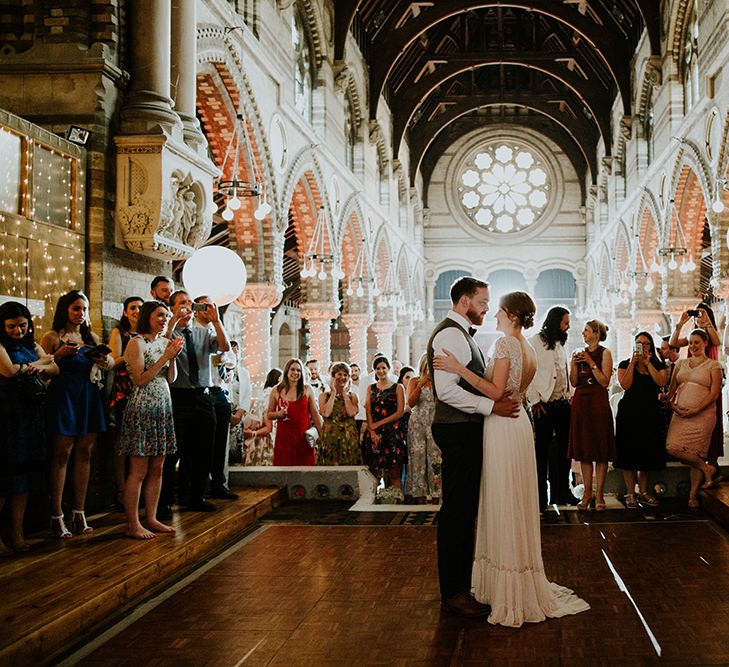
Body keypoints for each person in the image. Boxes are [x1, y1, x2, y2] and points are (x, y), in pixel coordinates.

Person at [434, 291, 589, 627]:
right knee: (514, 499)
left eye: (499, 310)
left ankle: (505, 587)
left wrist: (459, 367)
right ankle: (517, 578)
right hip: (518, 423)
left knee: (503, 499)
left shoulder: (506, 345)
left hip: (502, 423)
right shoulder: (529, 348)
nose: (494, 314)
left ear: (512, 314)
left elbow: (495, 390)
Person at [426, 276, 519, 619]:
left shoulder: (461, 334)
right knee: (457, 513)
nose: (486, 308)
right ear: (464, 301)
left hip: (463, 429)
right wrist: (490, 407)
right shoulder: (451, 334)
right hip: (457, 429)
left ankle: (459, 586)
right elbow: (447, 391)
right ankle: (453, 592)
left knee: (464, 512)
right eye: (482, 301)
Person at [42, 290, 113, 537]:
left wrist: (102, 358)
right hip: (64, 397)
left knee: (85, 453)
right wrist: (58, 356)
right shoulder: (52, 337)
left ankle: (80, 512)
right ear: (65, 309)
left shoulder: (90, 336)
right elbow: (43, 367)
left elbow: (108, 363)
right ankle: (56, 515)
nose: (81, 313)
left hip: (88, 396)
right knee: (62, 454)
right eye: (75, 308)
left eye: (84, 309)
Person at [160, 290, 230, 518]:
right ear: (171, 308)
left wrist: (216, 320)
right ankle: (166, 501)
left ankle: (197, 497)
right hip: (177, 396)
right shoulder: (169, 333)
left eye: (190, 304)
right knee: (174, 452)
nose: (187, 308)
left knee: (203, 449)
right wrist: (173, 322)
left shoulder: (203, 331)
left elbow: (224, 347)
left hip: (202, 395)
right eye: (181, 304)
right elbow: (160, 348)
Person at [119, 301, 183, 539]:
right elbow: (141, 379)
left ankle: (152, 517)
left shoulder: (164, 342)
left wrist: (173, 357)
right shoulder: (136, 343)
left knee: (158, 469)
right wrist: (165, 355)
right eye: (160, 315)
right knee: (139, 470)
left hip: (162, 407)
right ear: (148, 317)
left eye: (166, 316)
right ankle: (133, 523)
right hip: (143, 408)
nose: (165, 320)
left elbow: (172, 378)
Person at [0, 302, 58, 553]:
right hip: (6, 413)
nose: (18, 330)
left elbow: (55, 367)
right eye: (12, 326)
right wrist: (37, 365)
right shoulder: (1, 346)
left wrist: (42, 363)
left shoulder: (31, 345)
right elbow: (9, 370)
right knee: (4, 475)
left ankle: (18, 534)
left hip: (30, 412)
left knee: (24, 475)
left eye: (22, 325)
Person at [526, 306, 578, 510]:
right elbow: (529, 373)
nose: (568, 326)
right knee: (541, 452)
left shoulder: (560, 343)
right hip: (544, 405)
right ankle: (540, 497)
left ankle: (562, 493)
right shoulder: (535, 342)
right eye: (565, 322)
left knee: (565, 452)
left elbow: (561, 371)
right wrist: (535, 401)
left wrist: (567, 394)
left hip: (562, 404)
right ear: (556, 321)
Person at [666, 329, 722, 508]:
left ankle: (692, 495)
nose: (692, 346)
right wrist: (673, 405)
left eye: (696, 342)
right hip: (680, 413)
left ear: (705, 343)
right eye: (690, 342)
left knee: (696, 453)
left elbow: (714, 393)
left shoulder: (713, 365)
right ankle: (707, 469)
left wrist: (696, 409)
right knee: (672, 447)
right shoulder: (681, 363)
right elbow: (672, 387)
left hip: (703, 415)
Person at [614, 332, 668, 508]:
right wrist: (633, 363)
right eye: (638, 343)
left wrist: (647, 364)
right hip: (629, 412)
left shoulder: (658, 365)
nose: (642, 347)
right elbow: (625, 384)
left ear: (651, 346)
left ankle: (644, 491)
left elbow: (661, 381)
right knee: (628, 454)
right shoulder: (625, 364)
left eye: (645, 343)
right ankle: (630, 493)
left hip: (650, 413)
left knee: (646, 455)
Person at [567, 319, 616, 512]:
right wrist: (573, 364)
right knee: (585, 451)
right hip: (581, 401)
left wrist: (590, 362)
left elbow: (604, 381)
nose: (583, 334)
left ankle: (599, 494)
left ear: (596, 333)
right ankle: (587, 494)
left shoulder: (605, 353)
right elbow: (573, 381)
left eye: (586, 331)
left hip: (598, 401)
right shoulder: (579, 353)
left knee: (600, 451)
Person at [193, 296, 238, 500]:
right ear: (196, 309)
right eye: (204, 306)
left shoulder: (216, 330)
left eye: (211, 306)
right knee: (203, 444)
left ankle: (218, 483)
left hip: (220, 390)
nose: (208, 310)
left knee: (220, 443)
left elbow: (228, 353)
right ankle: (200, 488)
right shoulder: (192, 331)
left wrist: (217, 321)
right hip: (202, 390)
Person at [107, 296, 144, 510]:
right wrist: (133, 351)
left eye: (140, 307)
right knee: (121, 442)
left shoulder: (148, 335)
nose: (136, 311)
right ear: (125, 312)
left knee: (139, 444)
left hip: (143, 390)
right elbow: (113, 360)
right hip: (124, 390)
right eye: (132, 308)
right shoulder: (119, 333)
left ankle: (137, 489)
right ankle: (121, 490)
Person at [362, 355, 407, 487]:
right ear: (374, 370)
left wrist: (379, 424)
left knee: (394, 472)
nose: (381, 371)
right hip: (374, 433)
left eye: (383, 368)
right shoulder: (371, 388)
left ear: (389, 368)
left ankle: (397, 505)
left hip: (392, 433)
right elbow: (368, 410)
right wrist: (372, 430)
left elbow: (400, 412)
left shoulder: (398, 387)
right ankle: (373, 504)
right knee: (373, 473)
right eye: (377, 368)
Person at [267, 358, 322, 465]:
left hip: (303, 437)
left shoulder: (307, 389)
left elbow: (315, 414)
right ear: (287, 371)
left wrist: (322, 434)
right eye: (293, 369)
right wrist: (278, 414)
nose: (295, 373)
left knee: (305, 470)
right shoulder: (276, 390)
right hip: (284, 438)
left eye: (298, 370)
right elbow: (269, 414)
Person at [404, 354, 441, 503]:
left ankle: (437, 498)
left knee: (435, 458)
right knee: (418, 459)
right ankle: (419, 500)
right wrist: (421, 385)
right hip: (417, 424)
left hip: (435, 423)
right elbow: (411, 403)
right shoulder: (414, 381)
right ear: (423, 366)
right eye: (428, 366)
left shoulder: (440, 381)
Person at [317, 362, 361, 465]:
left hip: (348, 437)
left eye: (345, 375)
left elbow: (351, 413)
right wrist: (333, 393)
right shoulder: (324, 396)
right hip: (330, 437)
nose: (342, 377)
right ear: (333, 376)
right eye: (339, 374)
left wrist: (344, 394)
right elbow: (326, 413)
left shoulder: (352, 396)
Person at [243, 368, 280, 465]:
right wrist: (254, 433)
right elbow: (269, 427)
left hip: (258, 438)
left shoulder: (262, 396)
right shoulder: (270, 397)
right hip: (265, 442)